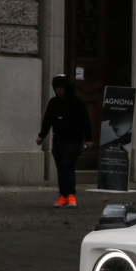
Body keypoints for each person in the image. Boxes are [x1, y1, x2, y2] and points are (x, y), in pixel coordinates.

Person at [36, 74, 92, 208]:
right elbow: (47, 120)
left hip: (74, 139)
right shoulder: (53, 103)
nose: (59, 91)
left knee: (68, 165)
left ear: (67, 88)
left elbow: (86, 121)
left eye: (61, 88)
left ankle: (71, 195)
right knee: (61, 168)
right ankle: (63, 195)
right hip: (59, 140)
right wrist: (42, 136)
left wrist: (89, 139)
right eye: (57, 88)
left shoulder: (77, 102)